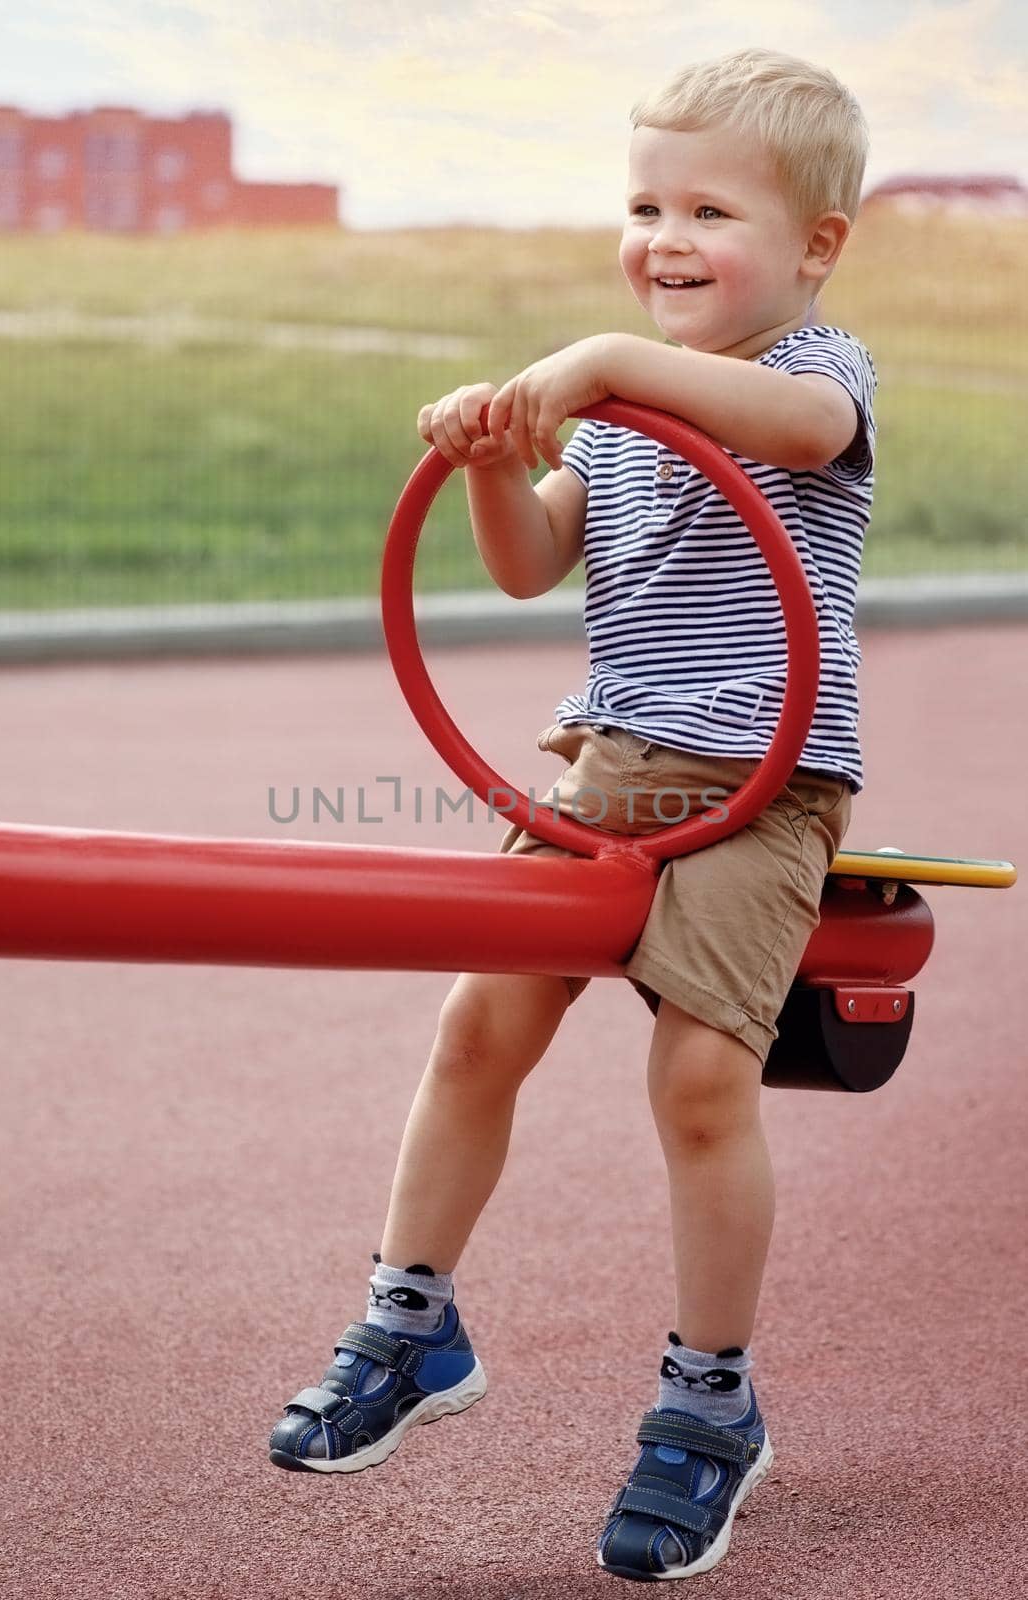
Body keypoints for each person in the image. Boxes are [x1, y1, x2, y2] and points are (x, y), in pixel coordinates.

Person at [270, 46, 875, 1584]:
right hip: (608, 770)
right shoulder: (613, 418)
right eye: (644, 203)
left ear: (815, 245)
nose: (665, 237)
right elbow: (533, 563)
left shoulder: (821, 373)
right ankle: (411, 1322)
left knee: (695, 1082)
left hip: (761, 784)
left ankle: (709, 1404)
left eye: (708, 210)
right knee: (479, 1025)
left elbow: (795, 443)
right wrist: (491, 460)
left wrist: (603, 353)